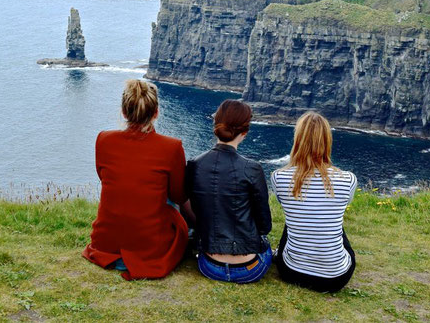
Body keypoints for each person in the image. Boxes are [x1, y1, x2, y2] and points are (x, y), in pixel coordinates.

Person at [82, 79, 188, 280]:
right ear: (156, 113)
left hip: (105, 244)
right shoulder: (172, 147)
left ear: (123, 112)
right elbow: (178, 195)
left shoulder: (104, 139)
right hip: (150, 249)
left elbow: (104, 178)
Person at [186, 99, 273, 283]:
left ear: (215, 124)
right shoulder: (252, 168)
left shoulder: (195, 164)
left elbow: (193, 209)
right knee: (267, 246)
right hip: (249, 269)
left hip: (209, 265)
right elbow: (265, 226)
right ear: (245, 132)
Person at [271, 111, 357, 293]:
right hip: (336, 278)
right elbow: (346, 202)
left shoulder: (278, 178)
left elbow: (283, 203)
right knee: (336, 224)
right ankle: (326, 260)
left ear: (298, 139)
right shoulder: (348, 179)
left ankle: (295, 256)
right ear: (327, 141)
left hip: (291, 272)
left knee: (293, 219)